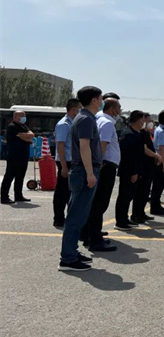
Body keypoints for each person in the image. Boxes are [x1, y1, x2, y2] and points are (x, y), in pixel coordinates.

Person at [58, 86, 103, 272]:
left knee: (79, 215)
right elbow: (85, 147)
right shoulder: (85, 119)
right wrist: (90, 173)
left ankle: (71, 252)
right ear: (94, 100)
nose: (102, 101)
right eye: (100, 98)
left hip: (83, 170)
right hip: (84, 171)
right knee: (76, 217)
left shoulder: (85, 117)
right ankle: (68, 258)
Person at [81, 97, 121, 251]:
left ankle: (89, 233)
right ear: (112, 109)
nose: (120, 111)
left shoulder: (98, 119)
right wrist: (99, 166)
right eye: (118, 107)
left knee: (94, 204)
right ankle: (95, 240)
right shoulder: (107, 122)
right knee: (99, 204)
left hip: (101, 165)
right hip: (105, 166)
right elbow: (102, 146)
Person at [52, 99, 81, 226]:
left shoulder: (73, 123)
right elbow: (60, 146)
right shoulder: (64, 124)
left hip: (72, 161)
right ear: (73, 109)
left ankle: (68, 217)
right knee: (62, 192)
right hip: (65, 162)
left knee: (69, 192)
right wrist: (64, 167)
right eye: (79, 109)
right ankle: (58, 218)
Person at [114, 111, 145, 230]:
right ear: (137, 121)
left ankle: (125, 218)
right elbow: (128, 156)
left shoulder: (136, 133)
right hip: (129, 171)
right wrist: (134, 172)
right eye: (142, 120)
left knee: (129, 196)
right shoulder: (128, 135)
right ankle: (120, 222)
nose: (143, 123)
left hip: (135, 170)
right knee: (124, 196)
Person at [131, 113, 163, 224]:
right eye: (148, 121)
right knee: (140, 192)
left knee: (145, 193)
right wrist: (156, 155)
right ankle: (136, 215)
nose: (151, 123)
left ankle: (141, 213)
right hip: (143, 167)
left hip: (149, 167)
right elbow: (145, 149)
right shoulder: (141, 133)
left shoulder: (146, 133)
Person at [1, 111, 35, 204]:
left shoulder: (23, 126)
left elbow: (31, 135)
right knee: (9, 176)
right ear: (15, 117)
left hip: (23, 155)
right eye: (22, 116)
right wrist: (25, 137)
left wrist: (24, 136)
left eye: (24, 116)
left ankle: (18, 195)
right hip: (14, 155)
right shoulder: (12, 127)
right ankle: (4, 197)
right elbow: (25, 137)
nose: (24, 118)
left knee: (20, 175)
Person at [150, 111, 164, 215]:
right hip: (162, 159)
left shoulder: (159, 129)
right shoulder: (162, 132)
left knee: (159, 184)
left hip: (161, 159)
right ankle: (155, 207)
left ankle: (157, 204)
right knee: (158, 184)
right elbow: (161, 148)